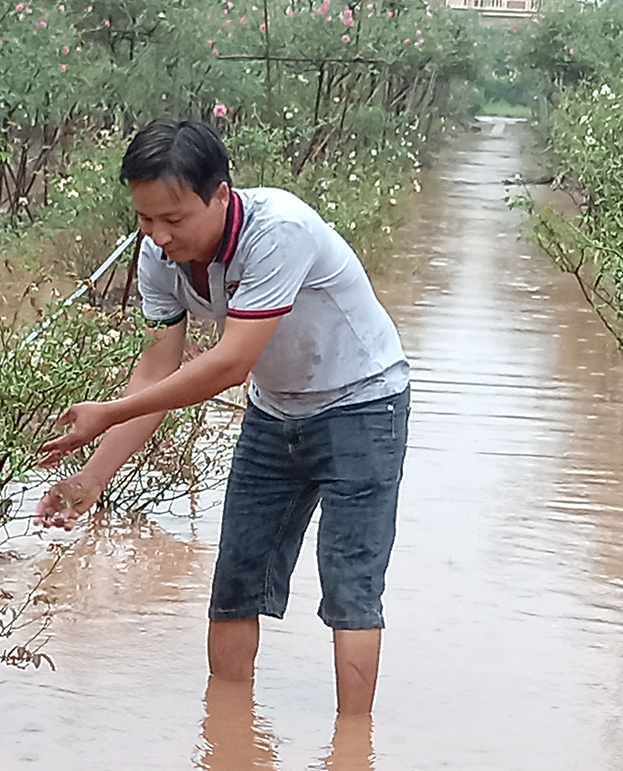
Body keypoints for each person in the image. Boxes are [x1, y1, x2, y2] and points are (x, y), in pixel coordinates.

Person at [36, 119, 410, 715]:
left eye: (174, 219)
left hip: (364, 404)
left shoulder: (278, 232)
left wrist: (106, 414)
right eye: (144, 220)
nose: (158, 235)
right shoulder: (159, 260)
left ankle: (352, 753)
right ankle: (229, 739)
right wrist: (92, 477)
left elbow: (230, 363)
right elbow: (155, 374)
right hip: (274, 411)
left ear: (220, 194)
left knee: (350, 585)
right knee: (235, 583)